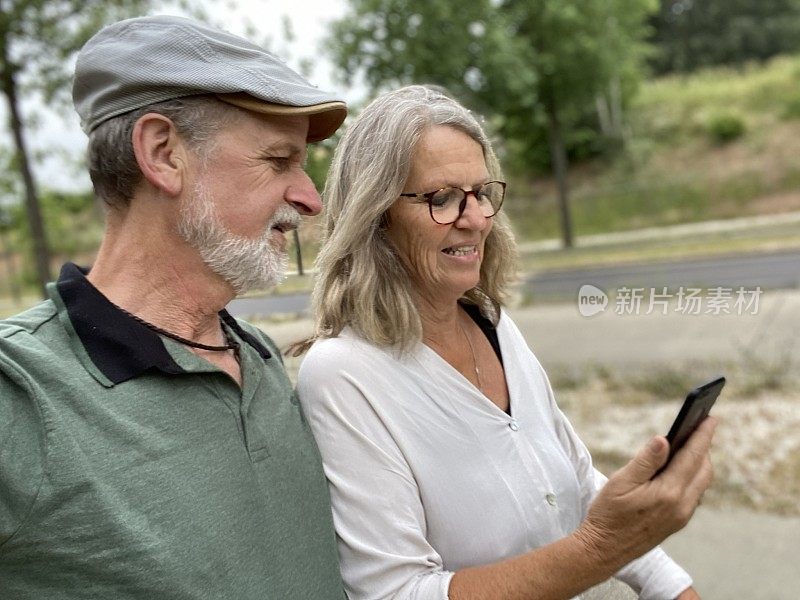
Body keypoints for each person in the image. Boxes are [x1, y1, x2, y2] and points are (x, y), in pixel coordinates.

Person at [296, 85, 716, 600]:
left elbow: (577, 484)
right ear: (374, 215)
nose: (476, 220)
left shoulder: (493, 323)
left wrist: (671, 584)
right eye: (442, 199)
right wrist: (600, 548)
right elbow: (396, 592)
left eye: (481, 193)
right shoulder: (343, 374)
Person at [0, 15, 348, 599]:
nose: (310, 198)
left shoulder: (255, 354)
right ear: (163, 154)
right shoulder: (20, 394)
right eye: (279, 160)